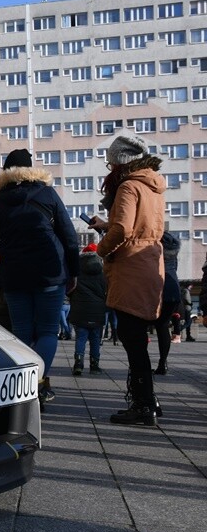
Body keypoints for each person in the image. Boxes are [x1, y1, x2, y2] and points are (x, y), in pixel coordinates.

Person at [0, 149, 79, 408]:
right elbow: (69, 236)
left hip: (14, 274)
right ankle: (38, 384)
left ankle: (23, 388)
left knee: (21, 332)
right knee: (47, 331)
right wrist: (74, 271)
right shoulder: (48, 194)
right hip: (50, 273)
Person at [88, 135, 165, 426]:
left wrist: (102, 251)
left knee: (133, 341)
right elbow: (139, 225)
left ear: (121, 162)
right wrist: (105, 225)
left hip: (131, 266)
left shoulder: (129, 186)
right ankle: (148, 401)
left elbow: (122, 229)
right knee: (138, 338)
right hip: (149, 261)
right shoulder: (152, 184)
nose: (110, 167)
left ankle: (142, 405)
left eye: (111, 162)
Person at [69, 244, 106, 375]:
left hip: (80, 311)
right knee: (96, 340)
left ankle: (78, 364)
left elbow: (70, 290)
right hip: (98, 312)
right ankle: (94, 366)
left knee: (81, 338)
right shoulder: (103, 274)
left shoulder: (77, 273)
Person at [152, 232, 182, 375]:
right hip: (173, 291)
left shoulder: (155, 252)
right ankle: (162, 363)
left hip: (158, 289)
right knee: (163, 327)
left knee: (140, 324)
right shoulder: (174, 256)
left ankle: (142, 364)